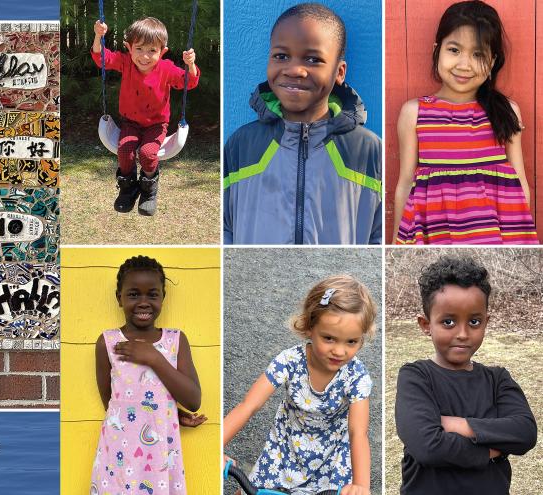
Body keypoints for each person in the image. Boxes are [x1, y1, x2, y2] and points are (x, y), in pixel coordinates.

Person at [223, 3, 382, 245]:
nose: (295, 70)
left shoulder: (368, 149)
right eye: (281, 56)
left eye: (313, 59)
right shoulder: (241, 144)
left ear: (339, 72)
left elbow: (378, 235)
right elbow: (225, 228)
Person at [392, 0, 537, 244]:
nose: (464, 65)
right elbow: (405, 184)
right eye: (454, 50)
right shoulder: (414, 112)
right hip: (436, 233)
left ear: (492, 62)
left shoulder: (506, 111)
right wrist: (397, 244)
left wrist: (521, 241)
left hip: (495, 236)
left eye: (478, 54)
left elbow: (519, 180)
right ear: (437, 49)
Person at [395, 256, 536, 494]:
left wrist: (456, 424)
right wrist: (491, 450)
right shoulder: (416, 376)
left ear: (486, 323)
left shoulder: (498, 379)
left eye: (474, 321)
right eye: (448, 321)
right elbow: (428, 447)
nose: (462, 333)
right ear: (425, 324)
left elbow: (524, 433)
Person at [223, 275, 375, 495]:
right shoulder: (289, 361)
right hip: (286, 445)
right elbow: (249, 405)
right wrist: (216, 447)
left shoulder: (356, 376)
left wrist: (361, 486)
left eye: (351, 341)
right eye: (329, 338)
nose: (340, 351)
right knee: (249, 491)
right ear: (309, 328)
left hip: (331, 455)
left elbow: (357, 432)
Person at [91, 256, 205, 494]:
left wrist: (153, 358)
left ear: (163, 297)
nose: (144, 302)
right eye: (133, 294)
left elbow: (193, 399)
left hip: (160, 459)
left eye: (152, 294)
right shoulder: (108, 342)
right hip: (118, 458)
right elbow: (112, 403)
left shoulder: (176, 341)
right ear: (119, 299)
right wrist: (153, 409)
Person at [92, 17, 199, 216]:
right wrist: (99, 35)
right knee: (125, 151)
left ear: (162, 51)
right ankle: (128, 189)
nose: (145, 56)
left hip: (156, 126)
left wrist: (190, 64)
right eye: (139, 49)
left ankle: (149, 192)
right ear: (129, 48)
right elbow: (101, 58)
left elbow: (189, 82)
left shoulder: (166, 69)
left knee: (148, 154)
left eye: (152, 50)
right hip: (130, 123)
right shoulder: (125, 63)